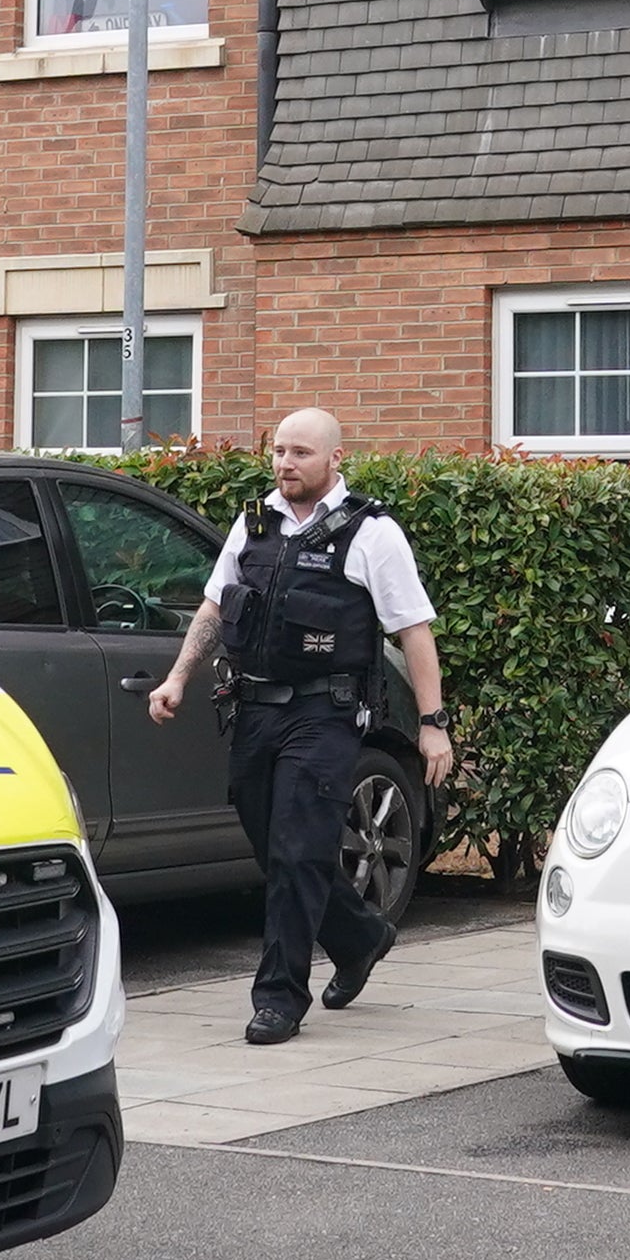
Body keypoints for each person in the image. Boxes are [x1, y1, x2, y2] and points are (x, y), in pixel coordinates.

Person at [146, 404, 451, 1042]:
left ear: (335, 459)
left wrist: (433, 722)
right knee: (275, 845)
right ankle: (362, 935)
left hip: (326, 712)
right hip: (255, 709)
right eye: (280, 451)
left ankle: (279, 998)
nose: (286, 463)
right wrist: (178, 676)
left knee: (298, 850)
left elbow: (414, 631)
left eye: (301, 453)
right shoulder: (254, 521)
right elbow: (212, 604)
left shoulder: (371, 533)